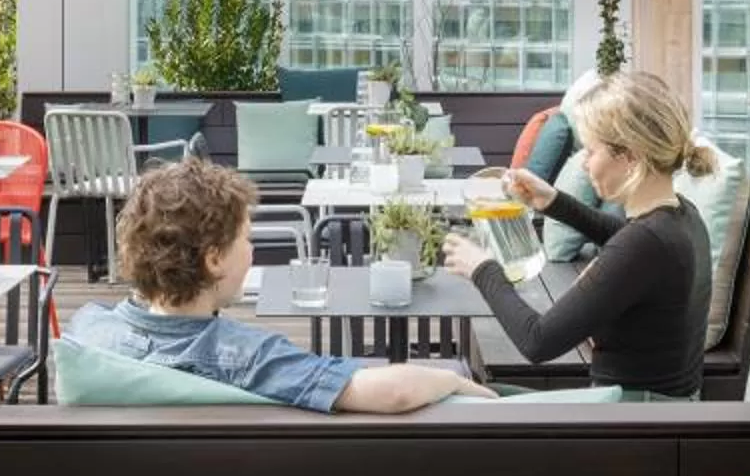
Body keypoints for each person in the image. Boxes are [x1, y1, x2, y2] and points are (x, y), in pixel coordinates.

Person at [68, 158, 490, 412]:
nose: (250, 248)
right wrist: (450, 380)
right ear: (214, 259)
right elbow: (392, 394)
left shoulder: (87, 333)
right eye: (246, 238)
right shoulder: (246, 356)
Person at [441, 69, 712, 398]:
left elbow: (537, 341)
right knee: (475, 392)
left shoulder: (646, 243)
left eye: (591, 151)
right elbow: (624, 238)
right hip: (652, 414)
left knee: (460, 398)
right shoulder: (682, 216)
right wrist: (552, 202)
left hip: (629, 425)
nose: (584, 163)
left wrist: (482, 269)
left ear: (630, 157)